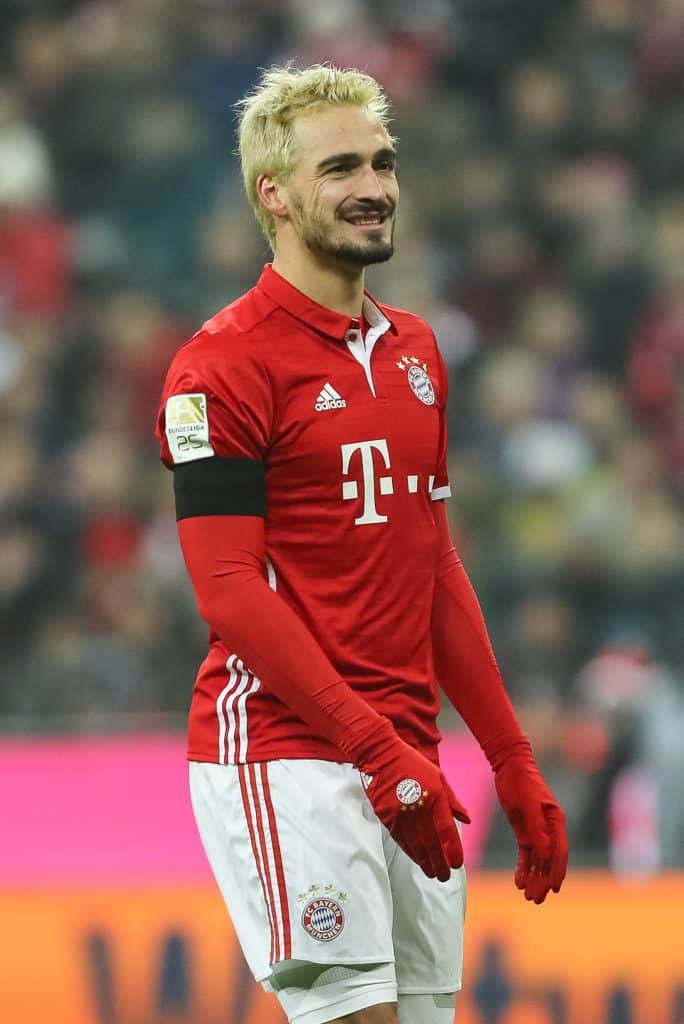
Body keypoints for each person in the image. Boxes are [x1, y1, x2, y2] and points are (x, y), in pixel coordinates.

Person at [155, 64, 568, 1024]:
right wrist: (371, 749)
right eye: (340, 167)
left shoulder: (419, 351)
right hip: (286, 748)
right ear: (275, 193)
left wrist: (510, 756)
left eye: (383, 162)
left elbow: (434, 564)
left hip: (408, 756)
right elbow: (225, 589)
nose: (374, 186)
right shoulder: (221, 364)